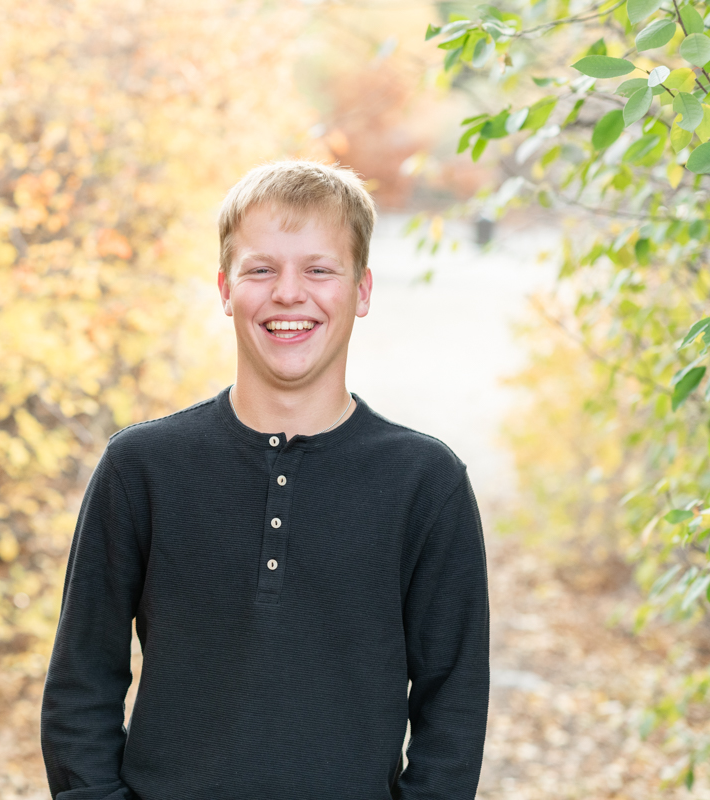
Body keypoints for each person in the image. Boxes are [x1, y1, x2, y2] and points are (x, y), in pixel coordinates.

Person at [40, 160, 489, 800]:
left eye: (318, 269)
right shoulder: (141, 467)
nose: (288, 293)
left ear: (361, 291)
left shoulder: (424, 481)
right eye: (261, 269)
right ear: (225, 289)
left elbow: (455, 700)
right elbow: (81, 683)